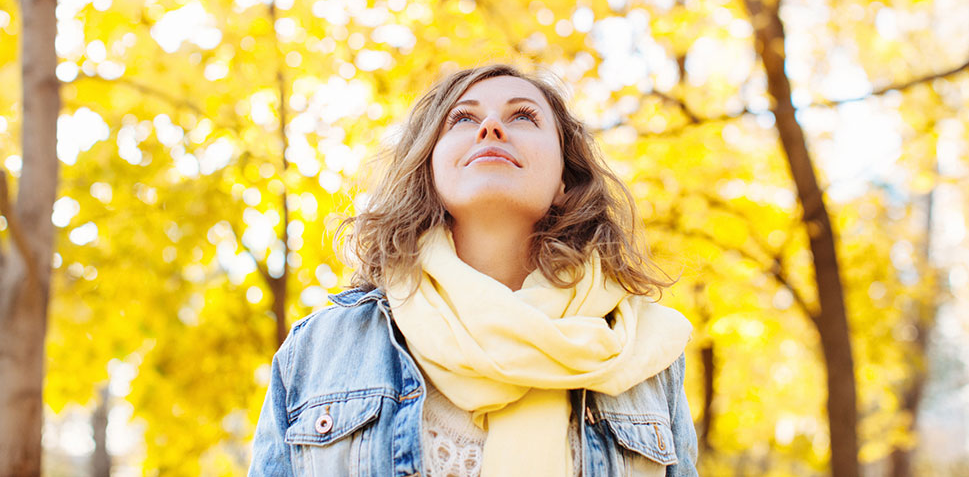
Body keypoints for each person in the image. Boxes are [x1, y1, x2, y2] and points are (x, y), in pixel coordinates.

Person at [249, 64, 698, 477]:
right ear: (431, 166)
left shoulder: (644, 352)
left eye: (524, 116)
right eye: (462, 119)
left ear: (565, 179)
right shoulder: (322, 347)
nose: (491, 126)